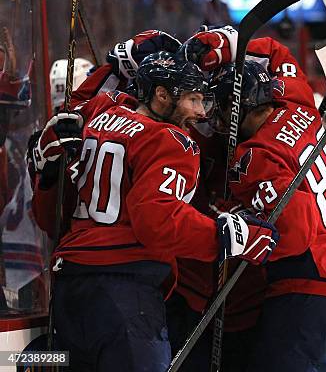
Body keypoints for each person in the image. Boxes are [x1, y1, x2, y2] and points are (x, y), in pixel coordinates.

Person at [29, 50, 279, 371]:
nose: (200, 112)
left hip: (69, 288)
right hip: (124, 294)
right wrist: (226, 236)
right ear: (161, 95)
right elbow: (156, 221)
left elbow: (50, 219)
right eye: (192, 99)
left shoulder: (103, 113)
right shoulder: (171, 140)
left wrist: (46, 170)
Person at [183, 32, 326, 371]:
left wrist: (243, 227)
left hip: (311, 299)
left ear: (241, 106)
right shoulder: (303, 107)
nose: (214, 119)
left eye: (222, 108)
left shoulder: (254, 156)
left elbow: (296, 226)